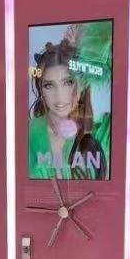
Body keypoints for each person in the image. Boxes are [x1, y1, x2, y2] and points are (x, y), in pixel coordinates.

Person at [29, 39, 110, 179]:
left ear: (83, 84)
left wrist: (88, 43)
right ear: (41, 90)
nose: (59, 96)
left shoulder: (102, 132)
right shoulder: (29, 133)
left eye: (68, 82)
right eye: (49, 85)